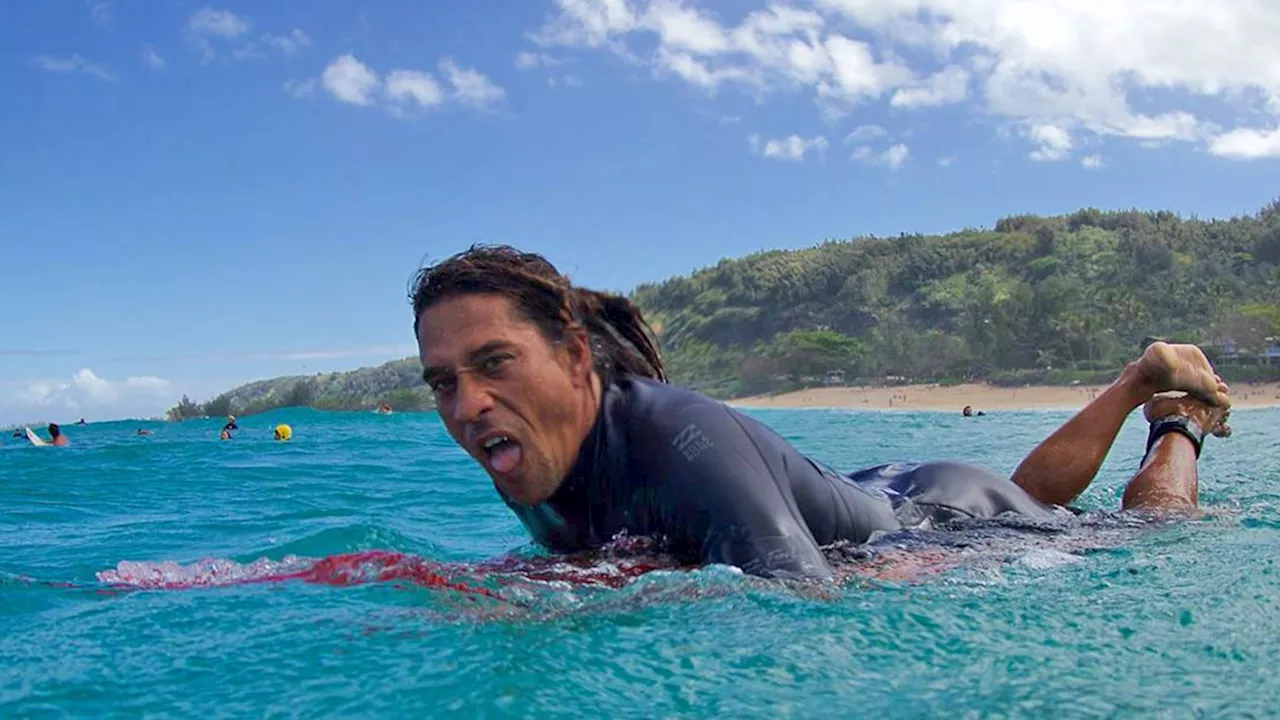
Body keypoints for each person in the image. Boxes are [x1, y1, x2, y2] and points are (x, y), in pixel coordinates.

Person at [410, 245, 1233, 582]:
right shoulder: (532, 453)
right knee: (1046, 504)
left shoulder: (674, 434)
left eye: (494, 363)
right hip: (884, 492)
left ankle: (1174, 421)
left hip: (936, 520)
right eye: (443, 382)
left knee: (1145, 532)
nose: (469, 402)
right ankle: (1131, 385)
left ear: (575, 359)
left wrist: (596, 590)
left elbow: (799, 594)